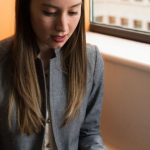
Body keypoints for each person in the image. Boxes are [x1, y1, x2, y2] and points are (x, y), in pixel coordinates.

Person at [0, 0, 105, 149]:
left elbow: (89, 133)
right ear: (26, 9)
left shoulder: (92, 61)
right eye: (49, 12)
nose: (63, 27)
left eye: (73, 12)